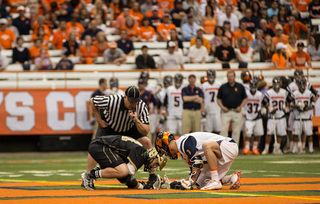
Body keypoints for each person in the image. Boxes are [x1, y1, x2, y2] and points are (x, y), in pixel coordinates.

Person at [85, 86, 154, 187]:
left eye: (135, 102)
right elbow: (92, 101)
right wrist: (99, 121)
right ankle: (87, 176)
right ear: (125, 97)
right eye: (131, 101)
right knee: (95, 145)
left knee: (147, 142)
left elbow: (146, 130)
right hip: (110, 127)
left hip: (130, 127)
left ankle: (152, 176)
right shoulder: (113, 100)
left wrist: (137, 120)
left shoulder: (141, 106)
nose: (133, 104)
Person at [155, 131, 242, 190]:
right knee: (201, 183)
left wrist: (190, 181)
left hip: (229, 145)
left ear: (165, 145)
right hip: (218, 155)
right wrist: (176, 183)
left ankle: (215, 180)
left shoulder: (183, 142)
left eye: (163, 151)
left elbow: (197, 161)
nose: (165, 154)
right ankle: (230, 178)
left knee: (206, 146)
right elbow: (194, 173)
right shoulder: (183, 155)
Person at [82, 135, 167, 190]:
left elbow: (124, 179)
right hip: (99, 146)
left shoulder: (141, 152)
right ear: (153, 155)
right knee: (123, 171)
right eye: (156, 163)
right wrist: (142, 186)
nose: (154, 166)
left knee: (120, 169)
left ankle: (92, 174)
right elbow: (127, 178)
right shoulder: (141, 153)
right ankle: (90, 175)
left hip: (99, 145)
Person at [217, 71, 248, 145]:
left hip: (236, 111)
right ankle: (223, 147)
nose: (230, 78)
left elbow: (245, 98)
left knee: (236, 131)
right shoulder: (223, 87)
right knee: (223, 130)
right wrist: (222, 107)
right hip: (226, 111)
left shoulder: (240, 86)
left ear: (234, 77)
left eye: (231, 76)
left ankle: (234, 148)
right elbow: (218, 99)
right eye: (228, 76)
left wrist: (241, 106)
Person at [261, 77, 290, 155]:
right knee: (269, 133)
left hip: (281, 115)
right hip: (272, 116)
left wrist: (287, 107)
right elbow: (264, 102)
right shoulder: (269, 92)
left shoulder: (284, 92)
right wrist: (268, 107)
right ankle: (266, 149)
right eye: (275, 83)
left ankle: (277, 148)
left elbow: (289, 101)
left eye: (277, 83)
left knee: (280, 133)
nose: (276, 85)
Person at [291, 77, 315, 153]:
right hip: (297, 117)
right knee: (295, 134)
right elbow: (291, 104)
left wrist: (305, 107)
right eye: (300, 84)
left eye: (303, 84)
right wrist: (298, 106)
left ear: (305, 84)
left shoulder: (309, 93)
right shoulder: (294, 94)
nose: (302, 85)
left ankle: (311, 148)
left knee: (309, 134)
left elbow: (312, 104)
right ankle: (294, 149)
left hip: (307, 117)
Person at [242, 79, 264, 155]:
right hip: (248, 116)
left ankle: (255, 148)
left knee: (257, 133)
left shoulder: (260, 94)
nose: (253, 87)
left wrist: (263, 109)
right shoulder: (246, 93)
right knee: (248, 133)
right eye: (252, 85)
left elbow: (263, 103)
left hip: (257, 116)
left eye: (255, 85)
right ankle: (247, 147)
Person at [201, 69, 221, 134]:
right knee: (207, 131)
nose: (211, 77)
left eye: (212, 75)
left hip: (217, 110)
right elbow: (202, 98)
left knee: (218, 130)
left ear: (215, 76)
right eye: (209, 75)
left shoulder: (219, 84)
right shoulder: (204, 85)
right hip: (207, 111)